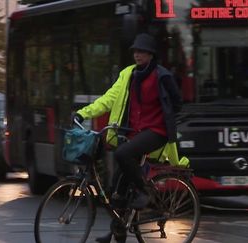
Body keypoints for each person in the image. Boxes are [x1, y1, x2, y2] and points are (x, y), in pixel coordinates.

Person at [72, 33, 182, 243]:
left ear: (151, 54)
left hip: (156, 132)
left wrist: (164, 116)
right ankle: (117, 232)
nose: (137, 55)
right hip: (133, 132)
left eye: (141, 51)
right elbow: (108, 99)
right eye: (135, 51)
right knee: (117, 188)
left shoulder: (162, 76)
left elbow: (177, 102)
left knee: (123, 153)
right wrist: (83, 113)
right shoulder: (127, 75)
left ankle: (144, 192)